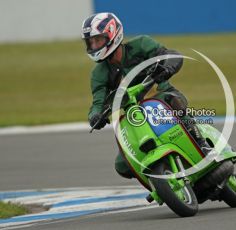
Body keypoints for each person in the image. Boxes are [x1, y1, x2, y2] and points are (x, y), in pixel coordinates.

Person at [82, 12, 211, 179]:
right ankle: (158, 181)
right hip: (135, 117)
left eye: (97, 40)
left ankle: (202, 144)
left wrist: (167, 68)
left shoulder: (141, 44)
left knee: (174, 102)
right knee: (122, 165)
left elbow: (171, 55)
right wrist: (95, 116)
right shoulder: (98, 74)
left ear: (112, 34)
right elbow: (98, 102)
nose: (93, 46)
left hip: (162, 96)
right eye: (90, 42)